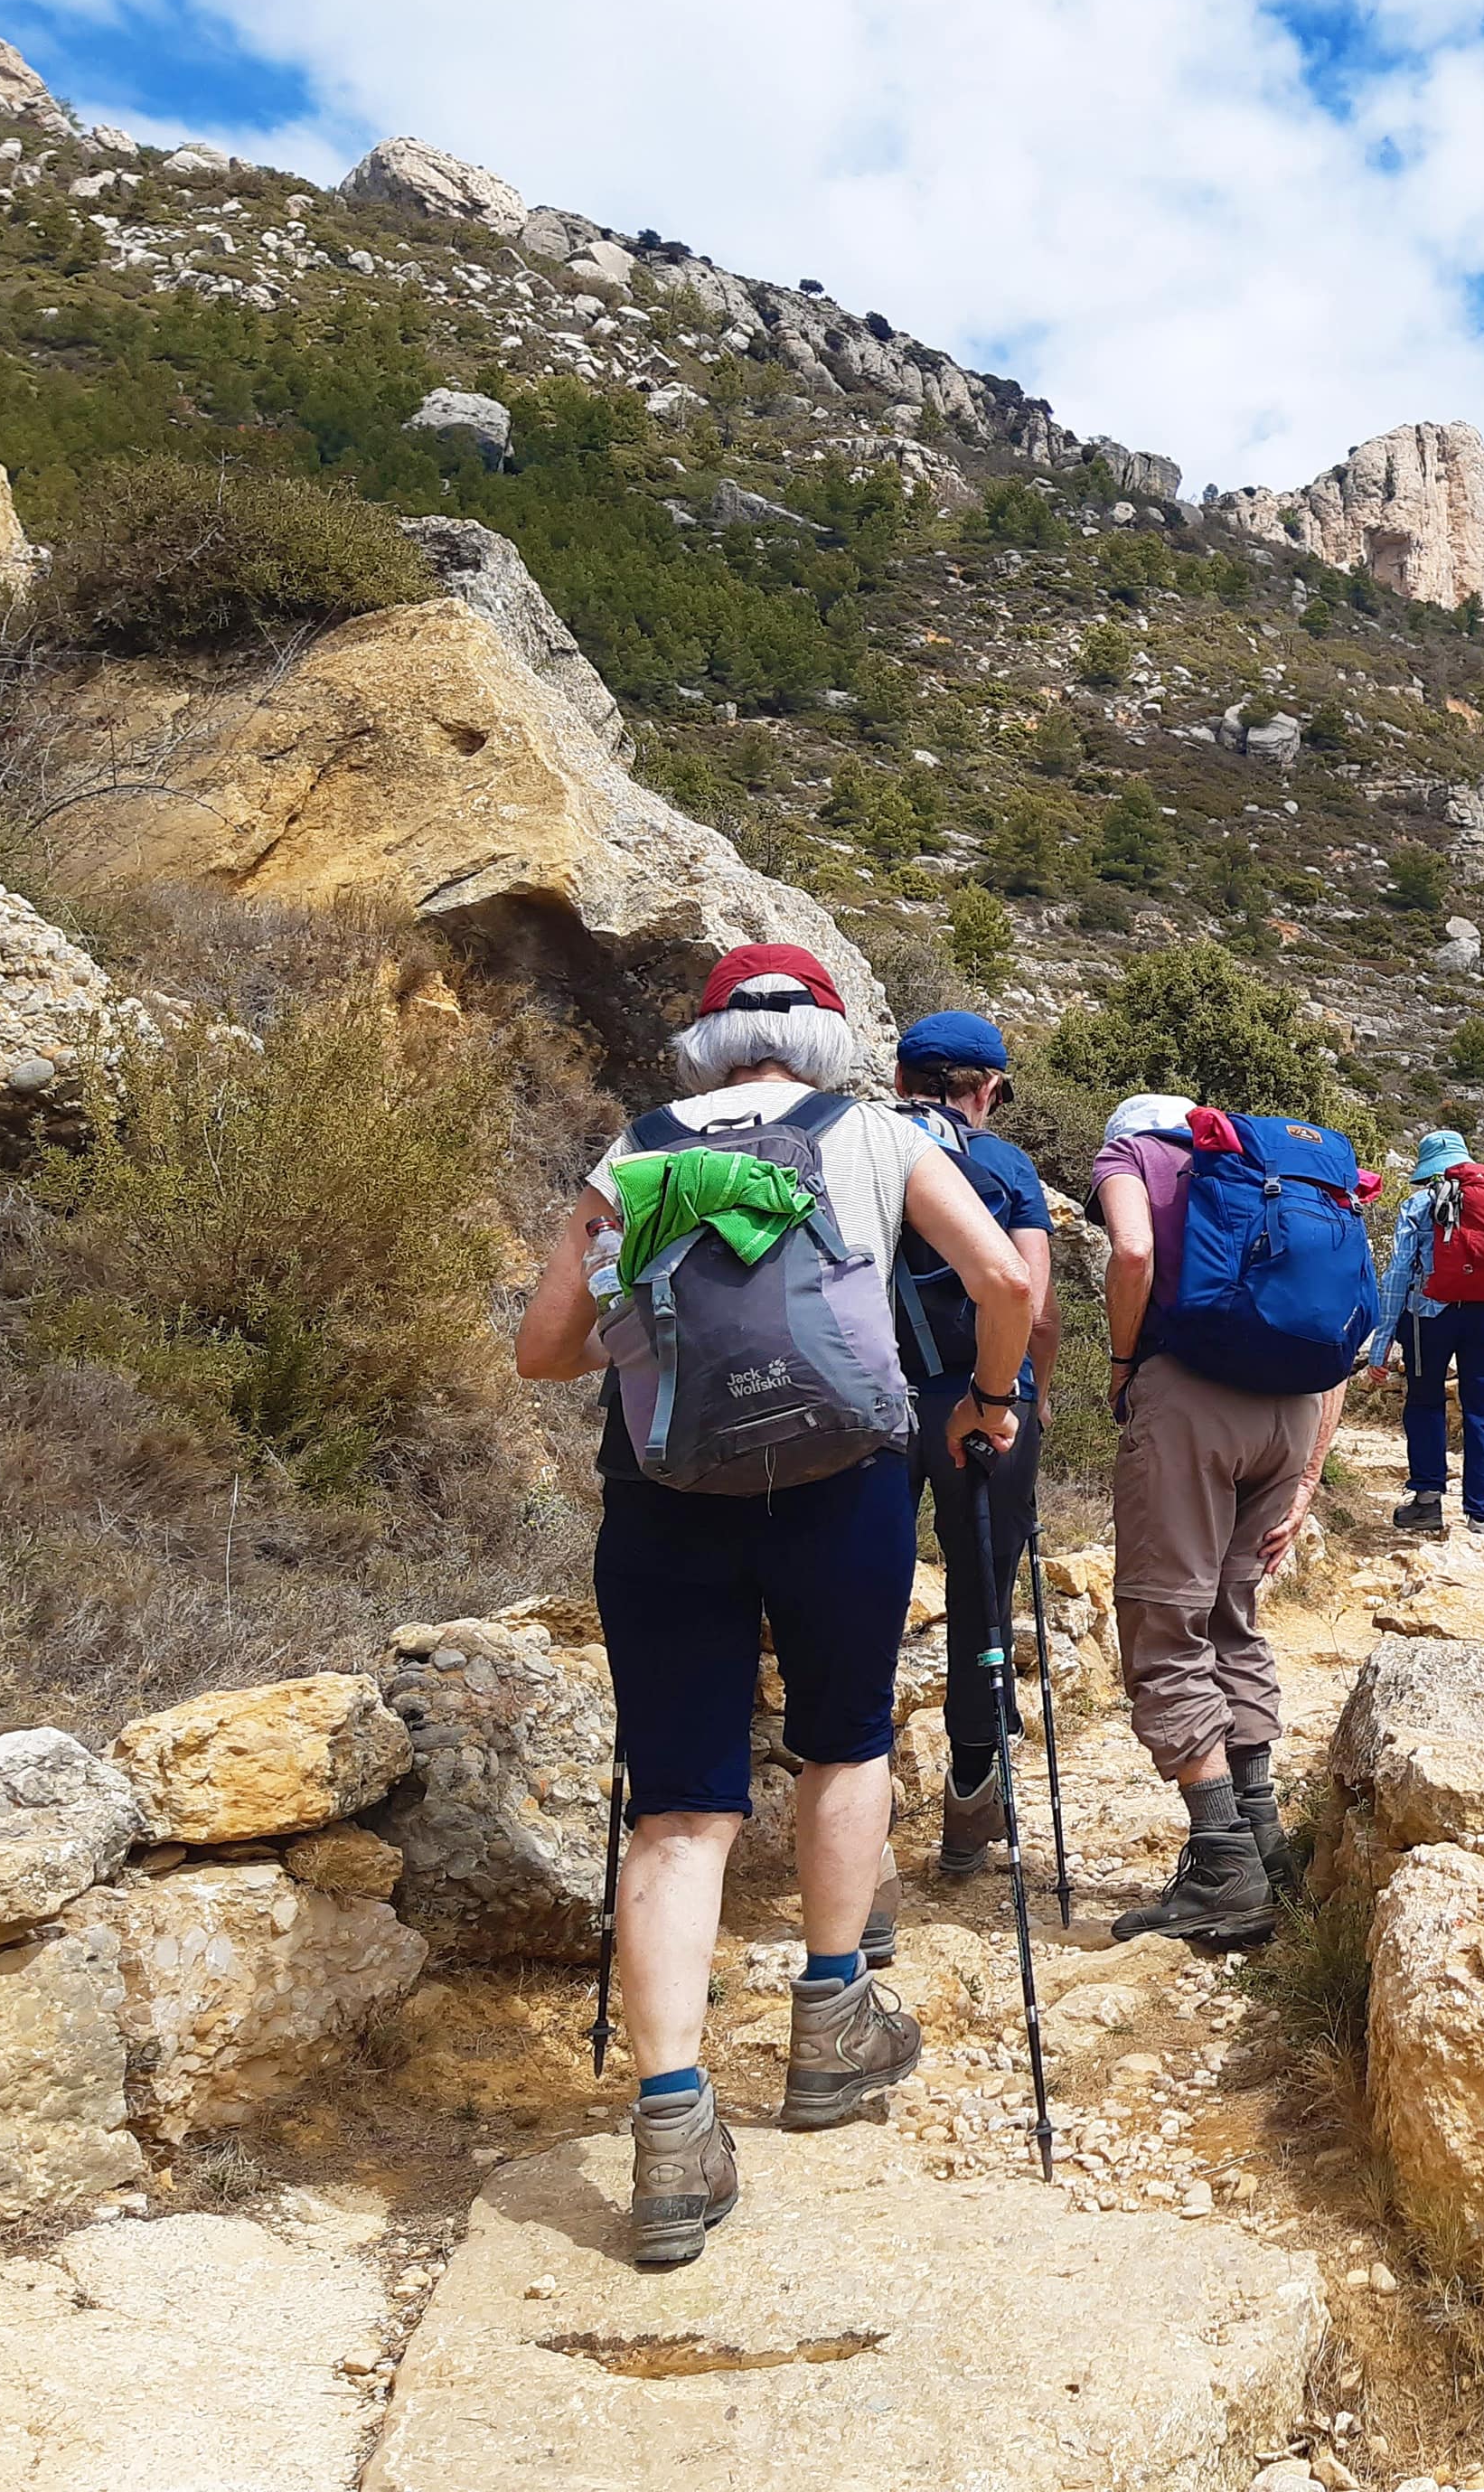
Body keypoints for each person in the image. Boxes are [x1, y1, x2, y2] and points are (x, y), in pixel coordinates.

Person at [515, 944, 1032, 2267]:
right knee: (844, 1741)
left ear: (703, 1042)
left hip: (663, 1494)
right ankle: (831, 2024)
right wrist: (985, 1399)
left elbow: (543, 1354)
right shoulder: (870, 1136)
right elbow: (1008, 1284)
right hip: (842, 1486)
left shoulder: (627, 1157)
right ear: (828, 1037)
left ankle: (673, 2129)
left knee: (682, 1809)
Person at [1091, 1093, 1344, 1944]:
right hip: (1293, 1413)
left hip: (1193, 1406)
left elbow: (1131, 1249)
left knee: (1166, 1619)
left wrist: (1124, 1364)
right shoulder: (1288, 1182)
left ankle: (1220, 1861)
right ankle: (1266, 1840)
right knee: (1234, 1616)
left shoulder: (1133, 1159)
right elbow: (1336, 1334)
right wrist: (1308, 1475)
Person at [886, 1010, 1058, 1882]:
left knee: (861, 1595)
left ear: (900, 1080)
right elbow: (1035, 1304)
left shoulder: (862, 1149)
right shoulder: (1005, 1165)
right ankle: (970, 1801)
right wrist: (1032, 1397)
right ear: (986, 1089)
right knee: (981, 1596)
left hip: (873, 1401)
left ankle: (856, 1822)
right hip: (984, 1400)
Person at [1365, 1127, 1484, 1538]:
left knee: (1424, 1403)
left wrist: (1381, 1342)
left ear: (1427, 1169)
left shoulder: (1419, 1205)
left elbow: (1399, 1274)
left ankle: (1427, 1502)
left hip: (1428, 1318)